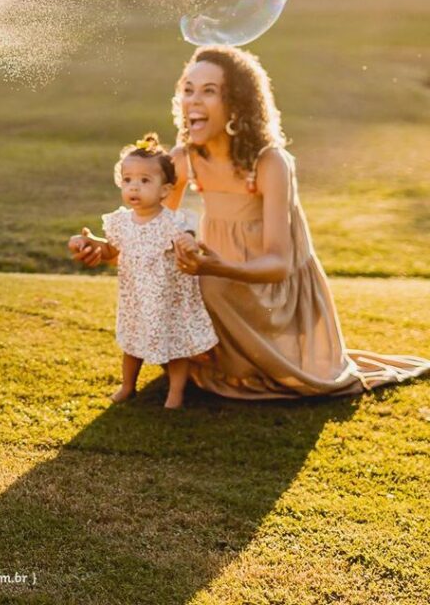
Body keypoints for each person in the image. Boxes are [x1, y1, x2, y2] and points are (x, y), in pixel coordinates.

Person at [72, 45, 430, 398]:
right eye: (188, 89)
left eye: (209, 91)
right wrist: (103, 251)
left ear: (237, 104)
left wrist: (218, 267)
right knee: (181, 282)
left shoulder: (270, 162)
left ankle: (240, 360)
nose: (193, 100)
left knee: (204, 287)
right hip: (215, 275)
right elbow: (148, 243)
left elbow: (279, 265)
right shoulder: (184, 159)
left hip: (271, 291)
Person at [69, 134, 217, 409]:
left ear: (164, 190)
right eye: (128, 180)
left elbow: (189, 241)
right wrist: (90, 243)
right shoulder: (121, 222)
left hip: (169, 299)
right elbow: (113, 251)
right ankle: (128, 385)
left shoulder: (173, 221)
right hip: (136, 297)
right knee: (131, 343)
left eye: (144, 181)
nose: (134, 187)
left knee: (177, 347)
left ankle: (175, 393)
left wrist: (188, 242)